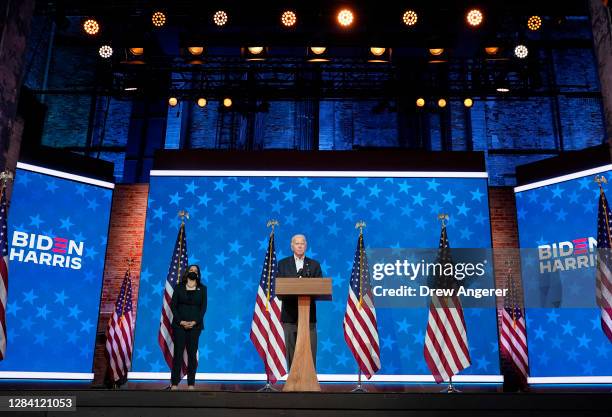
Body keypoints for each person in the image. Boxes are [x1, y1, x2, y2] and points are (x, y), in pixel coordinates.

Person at [277, 234, 323, 369]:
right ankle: (292, 380)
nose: (300, 245)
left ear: (306, 246)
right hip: (289, 316)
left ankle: (310, 381)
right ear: (292, 246)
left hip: (308, 317)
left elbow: (320, 288)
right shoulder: (283, 264)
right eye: (297, 243)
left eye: (302, 243)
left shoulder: (314, 265)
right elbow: (279, 290)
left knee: (310, 350)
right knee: (291, 351)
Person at [169, 264, 207, 390]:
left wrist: (195, 322)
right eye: (191, 270)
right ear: (187, 272)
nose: (193, 272)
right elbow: (173, 305)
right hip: (179, 326)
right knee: (178, 354)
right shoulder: (179, 287)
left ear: (198, 274)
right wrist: (181, 321)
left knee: (192, 355)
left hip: (195, 327)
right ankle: (174, 383)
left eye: (195, 271)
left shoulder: (203, 289)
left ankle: (191, 384)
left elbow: (203, 308)